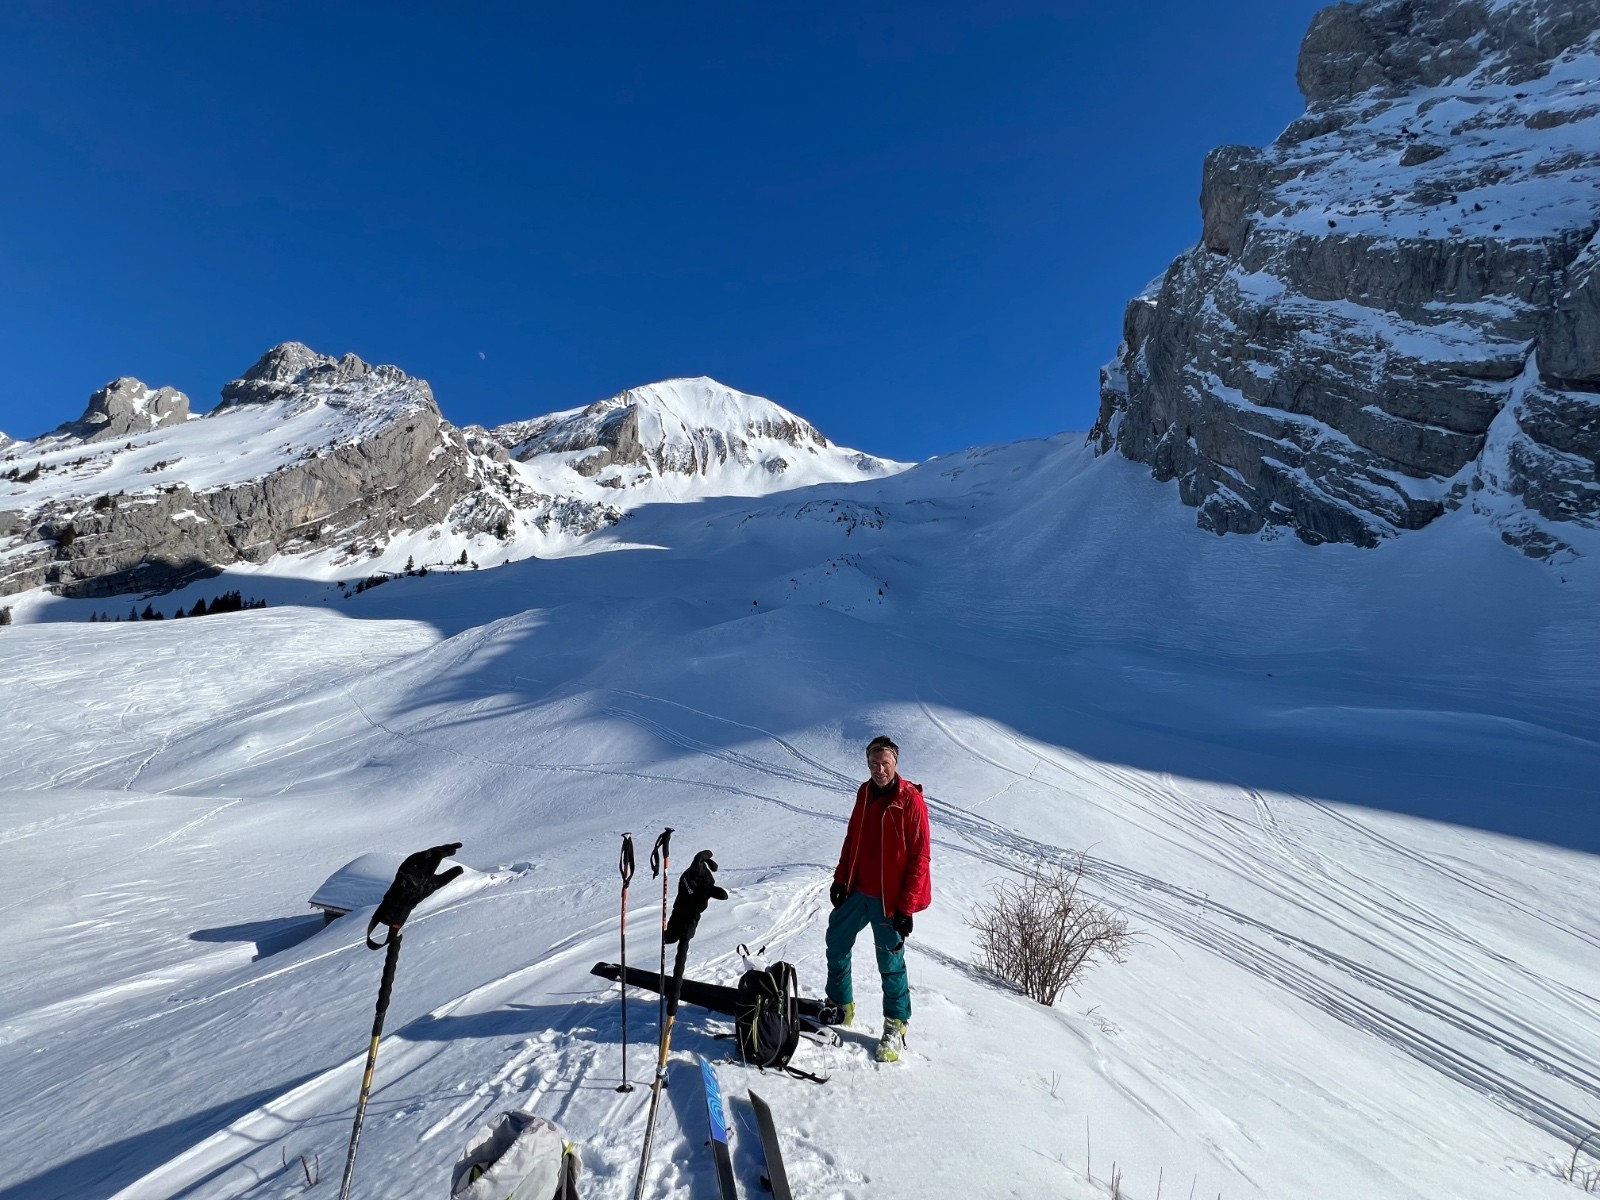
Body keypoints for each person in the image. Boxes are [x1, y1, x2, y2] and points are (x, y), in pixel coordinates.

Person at [825, 735, 931, 1062]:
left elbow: (920, 857)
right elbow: (853, 837)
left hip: (890, 900)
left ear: (896, 763)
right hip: (860, 891)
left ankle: (895, 1024)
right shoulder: (865, 792)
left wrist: (907, 907)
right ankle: (841, 1005)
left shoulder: (909, 801)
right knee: (836, 940)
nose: (879, 769)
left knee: (890, 961)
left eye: (884, 763)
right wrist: (841, 880)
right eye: (873, 763)